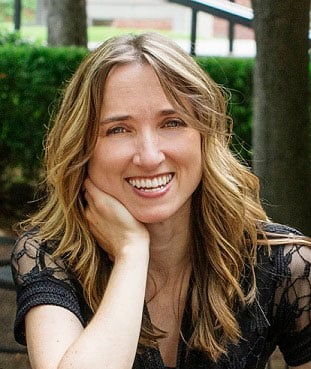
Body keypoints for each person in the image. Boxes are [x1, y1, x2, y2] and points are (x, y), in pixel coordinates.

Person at [11, 32, 311, 369]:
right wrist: (131, 252)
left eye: (172, 123)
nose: (150, 156)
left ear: (204, 136)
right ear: (83, 149)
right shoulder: (49, 255)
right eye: (119, 129)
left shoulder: (285, 265)